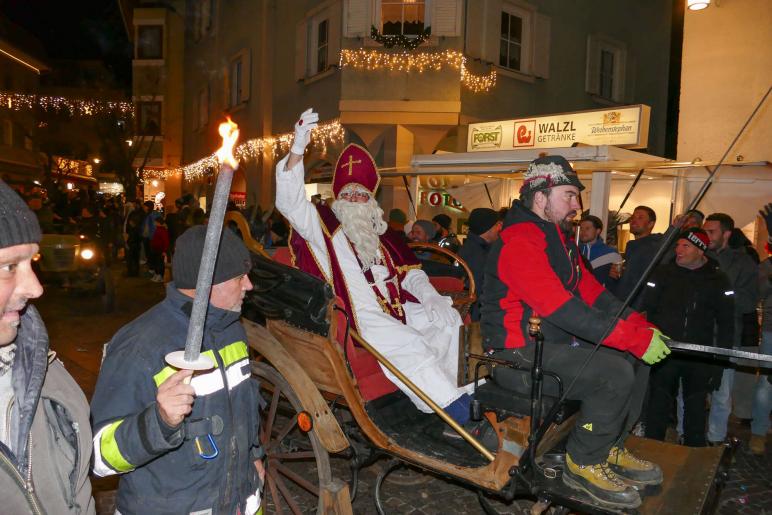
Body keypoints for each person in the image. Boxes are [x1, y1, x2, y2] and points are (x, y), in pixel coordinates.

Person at [480, 156, 669, 509]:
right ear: (540, 197)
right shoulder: (520, 240)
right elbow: (562, 308)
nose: (577, 206)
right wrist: (631, 337)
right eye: (569, 195)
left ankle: (607, 444)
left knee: (632, 357)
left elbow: (593, 294)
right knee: (612, 372)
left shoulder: (559, 239)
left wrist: (638, 325)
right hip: (515, 354)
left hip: (549, 345)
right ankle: (583, 463)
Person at [276, 109, 479, 436]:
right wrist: (298, 148)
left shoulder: (384, 235)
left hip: (396, 307)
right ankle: (455, 410)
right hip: (359, 314)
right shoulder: (323, 227)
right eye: (348, 194)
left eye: (362, 193)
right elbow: (290, 203)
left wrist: (430, 296)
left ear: (371, 199)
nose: (355, 198)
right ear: (338, 198)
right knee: (408, 341)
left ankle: (472, 392)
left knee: (447, 322)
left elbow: (410, 272)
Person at [90, 226, 264, 514]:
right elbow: (97, 456)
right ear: (206, 284)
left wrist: (254, 456)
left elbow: (244, 404)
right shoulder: (141, 347)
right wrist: (158, 422)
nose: (249, 285)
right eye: (238, 277)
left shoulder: (231, 330)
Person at [0, 180, 95, 514]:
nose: (36, 288)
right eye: (9, 266)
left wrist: (159, 422)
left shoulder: (49, 374)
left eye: (32, 261)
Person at [642, 228, 734, 447]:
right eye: (677, 245)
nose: (678, 251)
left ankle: (694, 453)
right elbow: (648, 312)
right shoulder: (663, 273)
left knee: (695, 406)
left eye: (686, 246)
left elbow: (726, 323)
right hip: (665, 350)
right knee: (658, 403)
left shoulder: (718, 278)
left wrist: (719, 363)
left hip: (699, 354)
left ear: (700, 250)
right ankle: (651, 448)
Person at [703, 212, 759, 445]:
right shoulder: (699, 255)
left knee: (721, 393)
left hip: (726, 335)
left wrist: (721, 297)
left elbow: (748, 301)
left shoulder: (743, 262)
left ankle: (715, 438)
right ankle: (691, 435)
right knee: (693, 390)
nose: (706, 236)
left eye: (711, 231)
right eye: (705, 231)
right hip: (698, 332)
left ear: (726, 233)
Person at [611, 205, 665, 309]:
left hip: (637, 307)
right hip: (624, 305)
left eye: (640, 218)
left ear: (650, 224)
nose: (634, 221)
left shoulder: (653, 247)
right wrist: (618, 275)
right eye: (633, 218)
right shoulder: (632, 245)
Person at [750, 203, 771, 455]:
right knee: (766, 383)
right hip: (771, 330)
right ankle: (758, 432)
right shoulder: (767, 265)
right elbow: (760, 290)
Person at [458, 207, 501, 321]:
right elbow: (477, 291)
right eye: (497, 225)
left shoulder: (483, 248)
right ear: (488, 228)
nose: (499, 228)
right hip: (476, 317)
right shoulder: (475, 254)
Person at [578, 214, 622, 287]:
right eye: (581, 229)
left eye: (587, 228)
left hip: (600, 296)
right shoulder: (574, 250)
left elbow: (618, 281)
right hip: (575, 296)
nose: (583, 232)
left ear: (598, 231)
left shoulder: (612, 254)